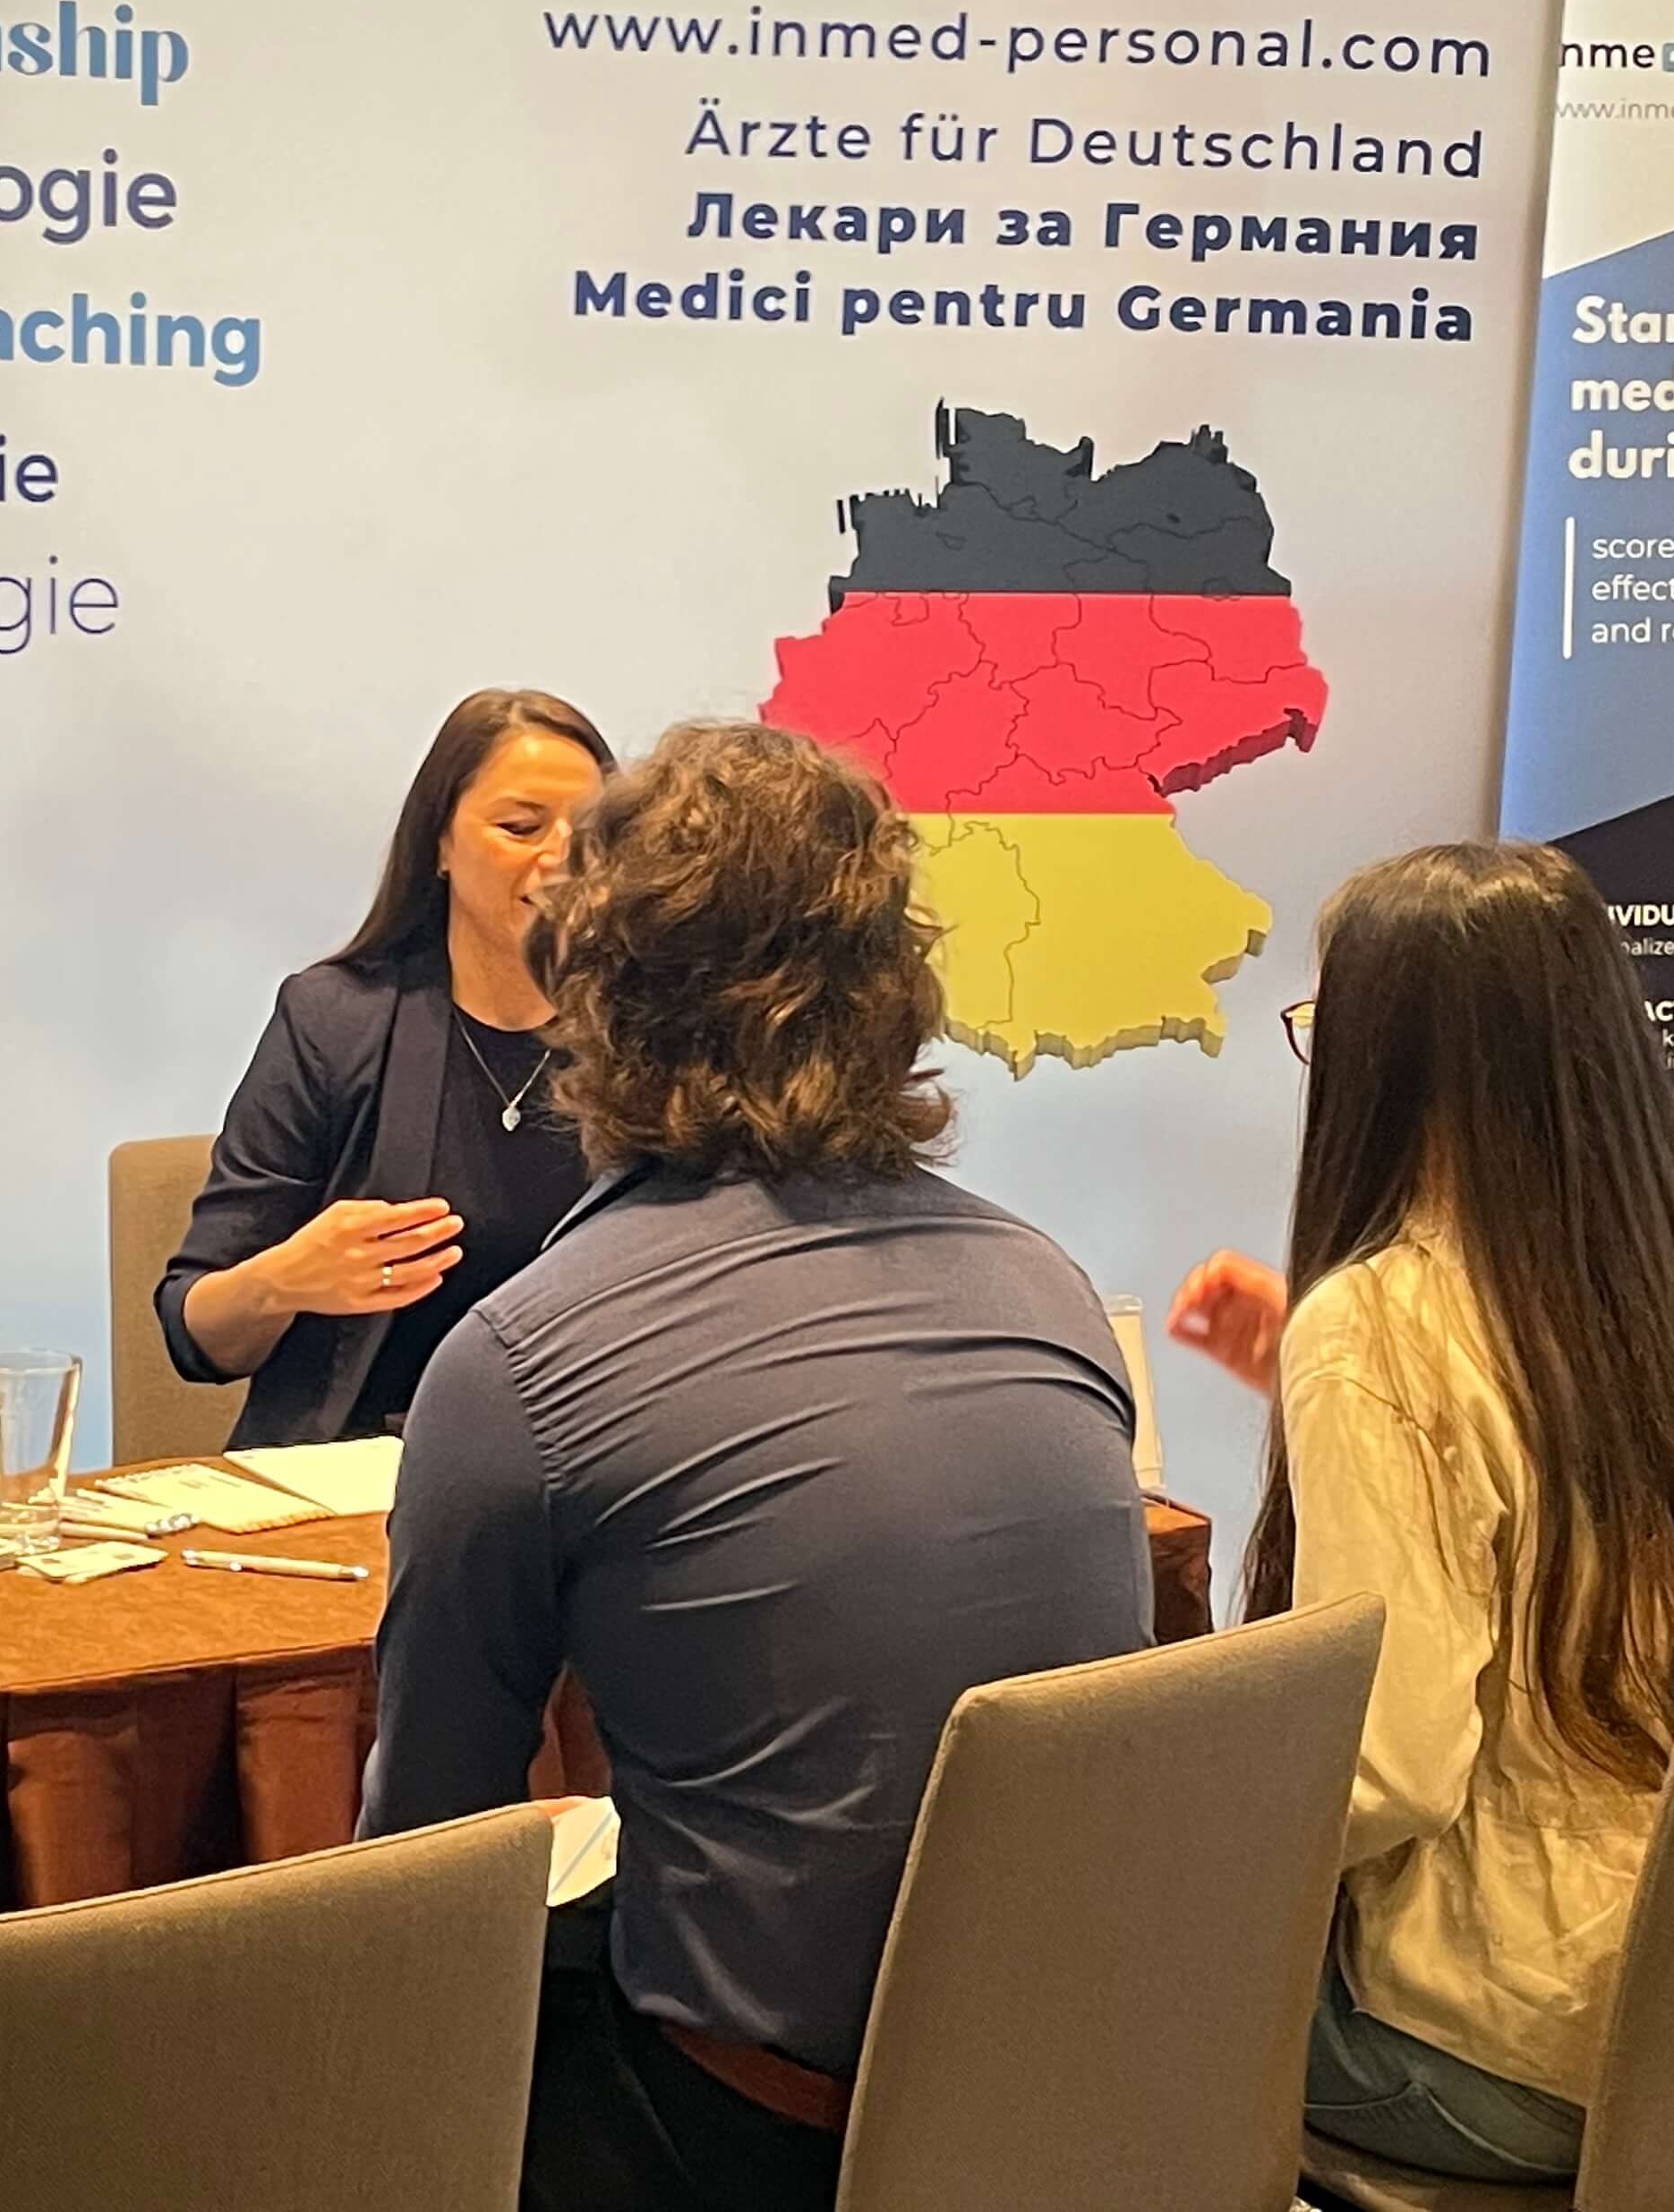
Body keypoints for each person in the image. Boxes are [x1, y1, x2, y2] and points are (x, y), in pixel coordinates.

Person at [363, 721, 1149, 2212]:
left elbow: (424, 1878)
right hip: (1080, 2108)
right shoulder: (1047, 1284)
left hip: (767, 2134)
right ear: (896, 988)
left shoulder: (521, 1359)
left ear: (588, 995)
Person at [1168, 841, 1674, 2182]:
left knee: (1106, 1986)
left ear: (1386, 1063)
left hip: (1500, 2043)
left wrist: (1167, 1835)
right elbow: (1529, 1474)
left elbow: (1394, 1769)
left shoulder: (1376, 1326)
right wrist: (1320, 1376)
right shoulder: (1643, 1290)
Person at [158, 688, 613, 1446]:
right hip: (364, 1469)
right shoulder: (335, 1020)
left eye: (592, 832)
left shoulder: (651, 1035)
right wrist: (286, 1279)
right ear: (440, 844)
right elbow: (195, 1330)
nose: (561, 858)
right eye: (521, 827)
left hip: (589, 1464)